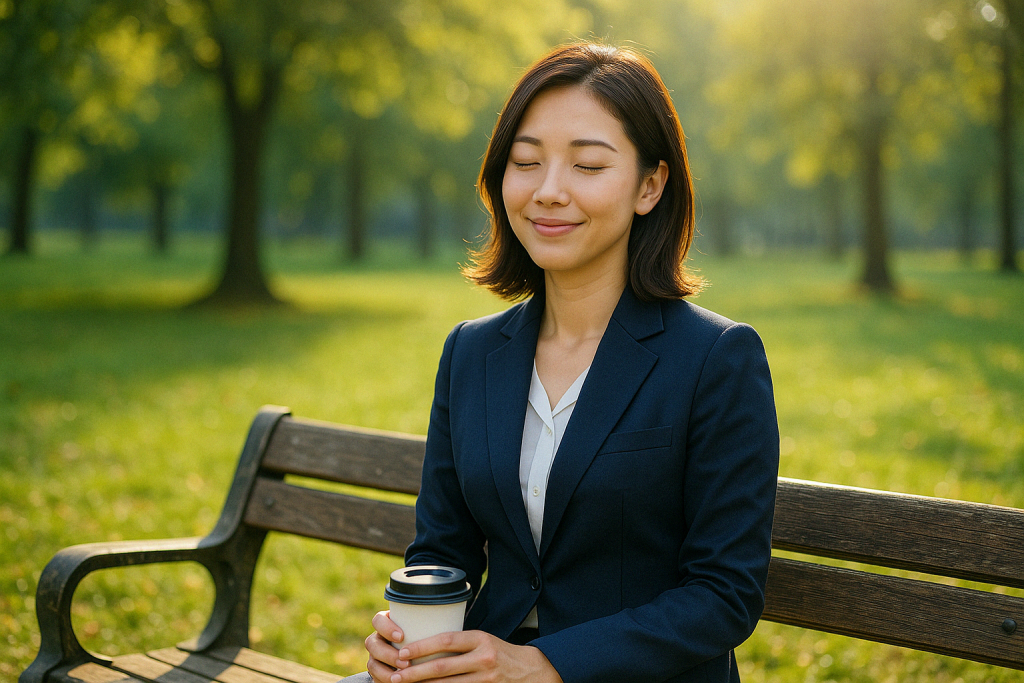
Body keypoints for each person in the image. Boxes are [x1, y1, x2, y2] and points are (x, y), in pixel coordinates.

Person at [359, 42, 779, 683]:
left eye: (586, 166)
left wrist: (544, 665)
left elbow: (724, 595)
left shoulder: (716, 360)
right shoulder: (471, 353)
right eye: (526, 163)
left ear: (650, 185)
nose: (548, 191)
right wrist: (413, 637)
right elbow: (442, 551)